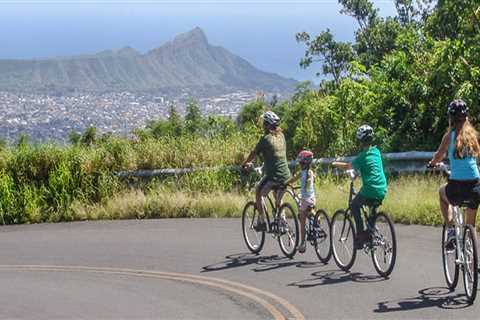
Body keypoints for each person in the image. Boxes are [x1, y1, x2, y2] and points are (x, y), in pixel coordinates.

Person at [428, 99, 480, 250]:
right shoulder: (473, 136)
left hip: (457, 187)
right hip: (476, 186)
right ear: (466, 117)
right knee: (471, 226)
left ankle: (451, 230)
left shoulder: (449, 136)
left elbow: (438, 155)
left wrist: (432, 164)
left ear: (450, 118)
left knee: (442, 193)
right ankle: (474, 262)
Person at [332, 125, 388, 248]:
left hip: (370, 189)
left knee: (354, 205)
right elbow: (370, 168)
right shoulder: (376, 152)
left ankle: (361, 236)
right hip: (382, 188)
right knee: (372, 207)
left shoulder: (362, 157)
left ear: (360, 141)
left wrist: (335, 163)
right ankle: (371, 233)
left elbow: (348, 166)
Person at [242, 111, 291, 231]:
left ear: (268, 125)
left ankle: (262, 221)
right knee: (277, 195)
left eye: (265, 123)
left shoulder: (265, 139)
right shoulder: (282, 136)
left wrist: (244, 164)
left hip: (273, 176)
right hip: (286, 175)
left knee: (258, 191)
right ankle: (282, 221)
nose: (263, 125)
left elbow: (253, 153)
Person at [287, 150, 315, 253]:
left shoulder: (303, 173)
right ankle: (317, 222)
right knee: (311, 210)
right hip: (312, 199)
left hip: (305, 200)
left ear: (303, 162)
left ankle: (302, 244)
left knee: (302, 221)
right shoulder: (311, 172)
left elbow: (293, 179)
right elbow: (310, 183)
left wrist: (286, 183)